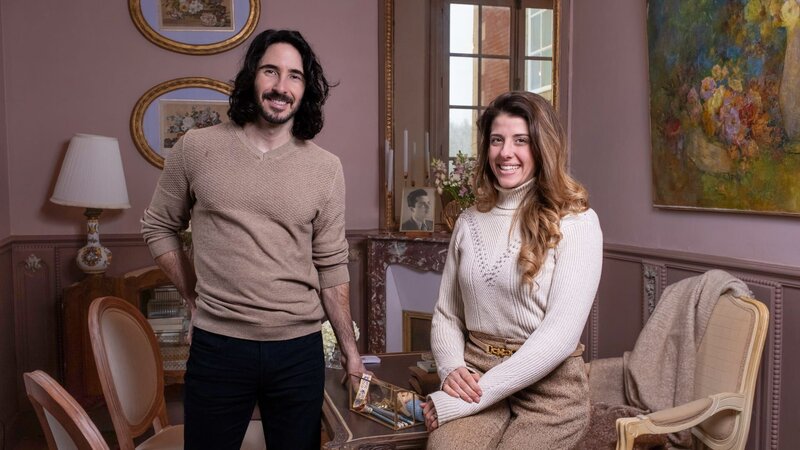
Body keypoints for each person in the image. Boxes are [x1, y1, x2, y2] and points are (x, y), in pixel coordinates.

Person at [141, 29, 366, 450]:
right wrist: (192, 294)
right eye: (271, 71)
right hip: (219, 347)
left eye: (294, 76)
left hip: (298, 351)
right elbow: (157, 225)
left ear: (306, 88)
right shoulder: (196, 148)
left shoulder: (326, 168)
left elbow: (332, 266)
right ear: (252, 77)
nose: (282, 86)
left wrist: (352, 353)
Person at [422, 91, 603, 449]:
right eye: (497, 140)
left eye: (521, 140)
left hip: (549, 390)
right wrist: (451, 370)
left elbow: (559, 338)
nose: (506, 152)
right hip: (475, 371)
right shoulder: (468, 220)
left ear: (542, 147)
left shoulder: (577, 223)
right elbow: (447, 313)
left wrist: (459, 399)